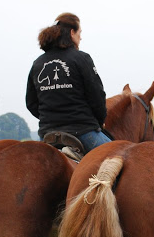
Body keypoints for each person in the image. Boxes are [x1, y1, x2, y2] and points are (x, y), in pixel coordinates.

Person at [26, 13, 109, 159]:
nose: (81, 37)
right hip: (83, 132)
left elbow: (31, 103)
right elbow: (97, 96)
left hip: (48, 135)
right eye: (80, 33)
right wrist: (99, 121)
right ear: (72, 32)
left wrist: (51, 118)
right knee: (123, 159)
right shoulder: (82, 58)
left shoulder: (37, 63)